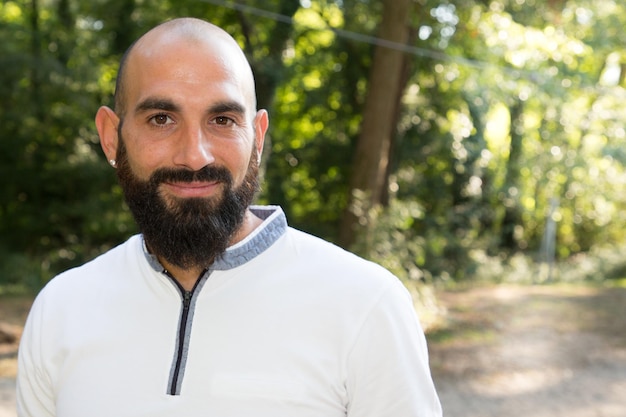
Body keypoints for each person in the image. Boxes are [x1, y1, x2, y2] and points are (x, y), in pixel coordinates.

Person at [16, 17, 442, 417]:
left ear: (257, 138)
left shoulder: (367, 305)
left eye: (222, 119)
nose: (195, 155)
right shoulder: (61, 309)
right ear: (112, 138)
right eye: (161, 119)